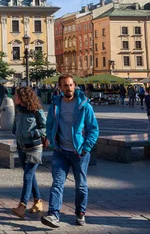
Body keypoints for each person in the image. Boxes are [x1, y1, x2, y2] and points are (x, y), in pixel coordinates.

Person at [41, 74, 99, 229]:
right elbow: (50, 125)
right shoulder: (55, 105)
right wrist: (53, 142)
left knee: (81, 185)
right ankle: (53, 215)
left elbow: (93, 129)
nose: (69, 88)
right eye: (65, 85)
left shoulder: (84, 105)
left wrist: (86, 147)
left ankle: (80, 212)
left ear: (75, 85)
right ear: (60, 87)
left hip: (79, 153)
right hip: (60, 151)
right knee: (57, 183)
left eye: (71, 85)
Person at [11, 86, 47, 218]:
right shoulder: (19, 110)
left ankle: (22, 206)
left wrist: (33, 133)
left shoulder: (36, 110)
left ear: (23, 97)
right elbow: (16, 124)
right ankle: (38, 202)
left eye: (17, 96)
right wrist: (15, 129)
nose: (15, 98)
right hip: (21, 146)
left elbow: (45, 127)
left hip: (34, 147)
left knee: (27, 176)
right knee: (30, 175)